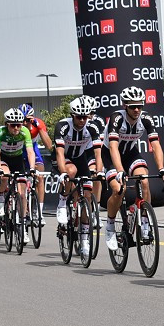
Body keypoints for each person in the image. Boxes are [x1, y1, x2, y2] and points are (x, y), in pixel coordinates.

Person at [103, 86, 164, 251]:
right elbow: (113, 148)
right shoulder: (117, 118)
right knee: (119, 189)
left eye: (140, 105)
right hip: (111, 155)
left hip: (130, 152)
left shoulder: (145, 118)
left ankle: (145, 222)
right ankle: (109, 225)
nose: (137, 109)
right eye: (133, 106)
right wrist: (120, 171)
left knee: (144, 181)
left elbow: (156, 145)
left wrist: (161, 168)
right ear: (125, 105)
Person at [54, 96, 105, 254]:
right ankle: (63, 203)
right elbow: (60, 153)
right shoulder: (63, 126)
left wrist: (100, 171)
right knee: (71, 172)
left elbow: (98, 154)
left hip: (81, 158)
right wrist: (63, 173)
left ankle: (84, 240)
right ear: (72, 115)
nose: (83, 120)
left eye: (85, 116)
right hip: (64, 158)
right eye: (79, 117)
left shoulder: (92, 127)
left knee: (88, 196)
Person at [0, 108, 36, 222]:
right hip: (4, 158)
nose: (16, 128)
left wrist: (32, 168)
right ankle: (1, 196)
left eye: (19, 125)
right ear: (7, 124)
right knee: (5, 175)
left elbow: (30, 151)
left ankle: (22, 223)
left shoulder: (25, 131)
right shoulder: (0, 132)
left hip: (17, 159)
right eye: (13, 125)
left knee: (22, 195)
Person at [21, 104, 54, 225]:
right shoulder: (16, 126)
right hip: (19, 150)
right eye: (22, 120)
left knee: (40, 177)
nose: (24, 123)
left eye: (27, 120)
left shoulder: (37, 123)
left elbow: (49, 145)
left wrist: (39, 128)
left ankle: (39, 212)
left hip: (33, 150)